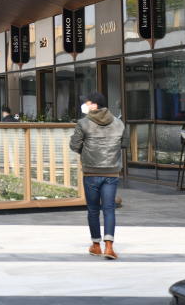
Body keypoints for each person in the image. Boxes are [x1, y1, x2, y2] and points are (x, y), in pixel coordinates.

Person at [69, 92, 125, 261]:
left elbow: (74, 145)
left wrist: (86, 153)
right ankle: (109, 246)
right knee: (109, 209)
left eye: (87, 102)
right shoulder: (118, 123)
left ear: (95, 105)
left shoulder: (83, 123)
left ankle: (95, 245)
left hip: (91, 172)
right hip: (111, 172)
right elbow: (125, 144)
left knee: (93, 210)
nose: (85, 105)